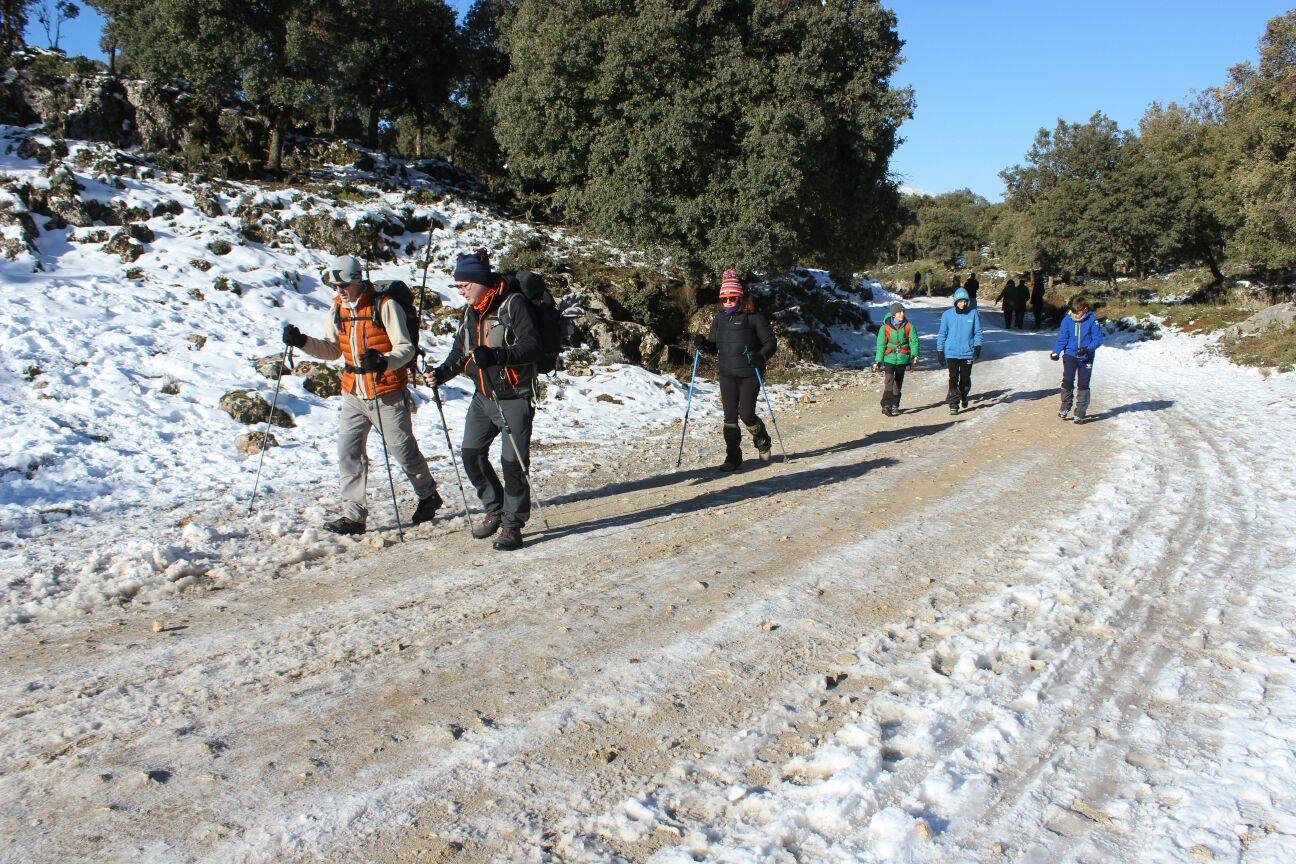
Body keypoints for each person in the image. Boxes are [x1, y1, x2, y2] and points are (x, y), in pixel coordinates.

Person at [282, 254, 441, 535]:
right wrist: (302, 342)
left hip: (387, 391)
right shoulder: (338, 309)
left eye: (343, 284)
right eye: (335, 285)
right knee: (348, 451)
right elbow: (333, 350)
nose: (339, 290)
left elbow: (406, 348)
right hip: (353, 391)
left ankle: (428, 495)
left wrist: (384, 361)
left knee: (402, 450)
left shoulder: (385, 306)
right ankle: (353, 516)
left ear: (357, 280)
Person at [429, 249, 542, 551]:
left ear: (481, 281)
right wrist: (441, 374)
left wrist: (499, 356)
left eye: (464, 284)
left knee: (512, 463)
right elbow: (460, 352)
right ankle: (495, 507)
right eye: (458, 285)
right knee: (471, 454)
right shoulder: (471, 311)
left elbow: (533, 346)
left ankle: (512, 525)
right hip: (483, 397)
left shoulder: (512, 305)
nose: (460, 290)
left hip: (514, 397)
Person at [694, 270, 777, 471]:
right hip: (727, 374)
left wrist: (761, 356)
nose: (728, 302)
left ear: (739, 298)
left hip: (750, 374)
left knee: (746, 415)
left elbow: (770, 343)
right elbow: (714, 348)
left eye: (732, 298)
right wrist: (703, 344)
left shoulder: (754, 317)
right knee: (729, 418)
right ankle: (733, 457)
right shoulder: (719, 319)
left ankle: (762, 438)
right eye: (724, 299)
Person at [1050, 294, 1104, 422]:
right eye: (1073, 312)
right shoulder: (1067, 320)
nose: (1075, 315)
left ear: (1085, 309)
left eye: (1078, 312)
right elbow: (1062, 338)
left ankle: (1080, 411)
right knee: (1067, 380)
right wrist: (1056, 352)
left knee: (1083, 384)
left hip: (1086, 357)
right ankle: (1065, 405)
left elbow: (1098, 339)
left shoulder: (1092, 320)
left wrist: (1088, 348)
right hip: (1070, 355)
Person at [936, 287, 983, 414]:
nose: (963, 304)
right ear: (956, 301)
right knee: (953, 378)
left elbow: (978, 332)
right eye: (961, 301)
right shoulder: (947, 315)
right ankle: (954, 403)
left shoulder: (973, 313)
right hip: (951, 352)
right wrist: (940, 350)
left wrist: (977, 346)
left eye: (965, 301)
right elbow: (942, 334)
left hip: (967, 352)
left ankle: (963, 394)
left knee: (965, 380)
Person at [874, 301, 919, 416]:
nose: (902, 314)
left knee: (898, 383)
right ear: (893, 314)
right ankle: (887, 405)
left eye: (903, 312)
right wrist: (878, 361)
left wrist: (915, 355)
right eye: (899, 312)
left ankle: (895, 405)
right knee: (889, 381)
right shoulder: (884, 328)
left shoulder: (909, 326)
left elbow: (914, 342)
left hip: (903, 358)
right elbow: (881, 345)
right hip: (889, 358)